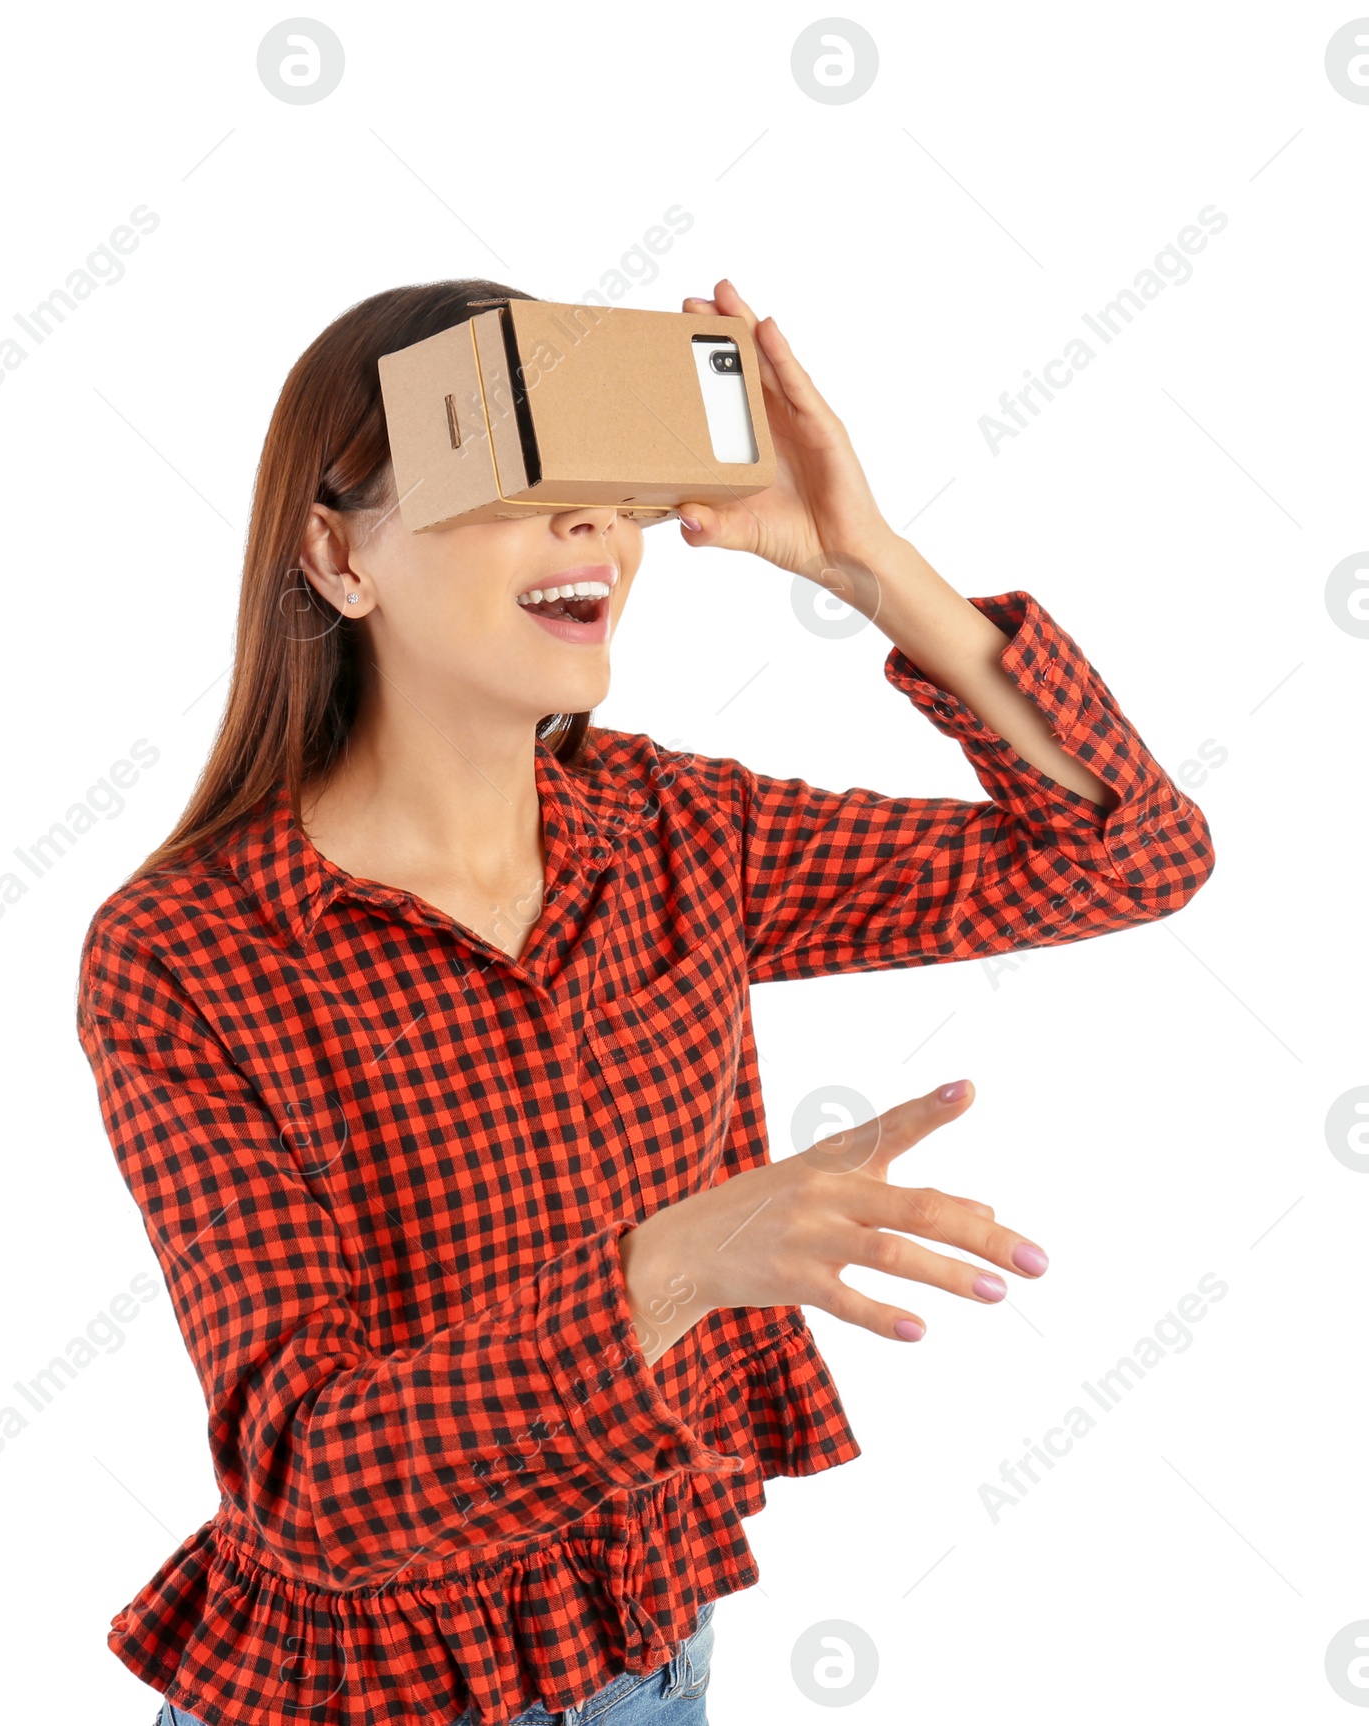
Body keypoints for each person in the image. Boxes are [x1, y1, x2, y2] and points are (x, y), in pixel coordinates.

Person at [75, 276, 1215, 1726]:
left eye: (612, 493)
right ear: (333, 555)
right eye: (515, 480)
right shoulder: (188, 952)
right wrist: (673, 1263)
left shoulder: (679, 832)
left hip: (641, 1661)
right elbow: (312, 1474)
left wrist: (871, 564)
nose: (593, 531)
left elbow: (1133, 850)